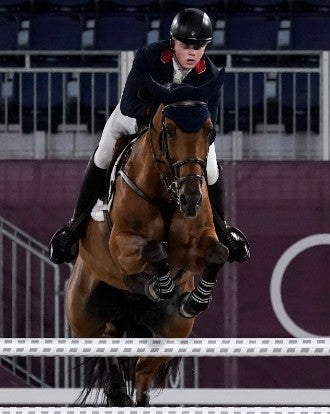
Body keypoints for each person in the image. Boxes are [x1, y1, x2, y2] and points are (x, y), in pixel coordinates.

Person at [48, 8, 250, 265]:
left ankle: (223, 231)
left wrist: (197, 141)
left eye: (199, 47)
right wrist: (156, 119)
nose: (192, 52)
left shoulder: (208, 74)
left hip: (185, 133)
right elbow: (128, 103)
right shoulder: (149, 57)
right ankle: (74, 227)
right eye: (186, 45)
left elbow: (212, 120)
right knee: (102, 153)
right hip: (137, 118)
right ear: (173, 41)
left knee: (210, 169)